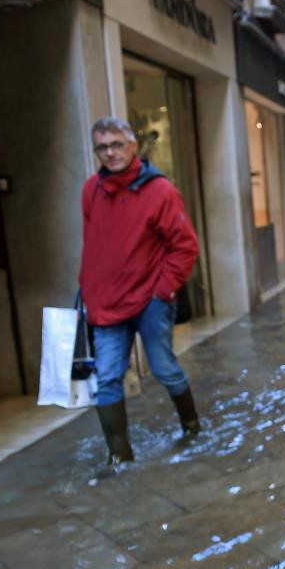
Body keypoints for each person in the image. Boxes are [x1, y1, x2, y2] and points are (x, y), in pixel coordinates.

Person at [79, 116, 201, 467]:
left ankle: (191, 425)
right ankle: (119, 457)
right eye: (102, 146)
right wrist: (89, 286)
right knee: (108, 379)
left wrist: (162, 291)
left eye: (117, 144)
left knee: (164, 369)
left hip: (150, 300)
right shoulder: (91, 190)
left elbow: (185, 246)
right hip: (105, 302)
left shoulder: (160, 191)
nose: (110, 152)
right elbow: (94, 243)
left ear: (133, 146)